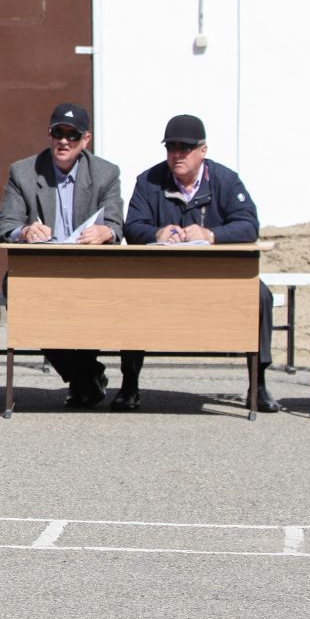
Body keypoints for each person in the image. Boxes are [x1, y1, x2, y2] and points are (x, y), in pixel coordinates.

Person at [122, 114, 282, 413]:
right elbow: (131, 226)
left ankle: (258, 385)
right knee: (132, 295)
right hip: (161, 279)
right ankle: (129, 385)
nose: (177, 154)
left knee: (260, 295)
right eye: (171, 147)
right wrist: (157, 232)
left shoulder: (225, 180)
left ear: (203, 150)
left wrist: (211, 235)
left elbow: (249, 225)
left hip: (218, 278)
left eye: (185, 148)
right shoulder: (148, 181)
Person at [0, 101, 137, 407]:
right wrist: (25, 231)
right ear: (49, 134)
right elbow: (3, 225)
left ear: (86, 140)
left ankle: (86, 378)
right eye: (58, 133)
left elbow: (116, 223)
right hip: (40, 270)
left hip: (88, 268)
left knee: (95, 297)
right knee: (16, 290)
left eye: (72, 135)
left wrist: (106, 232)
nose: (64, 141)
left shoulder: (106, 173)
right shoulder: (24, 172)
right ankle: (86, 375)